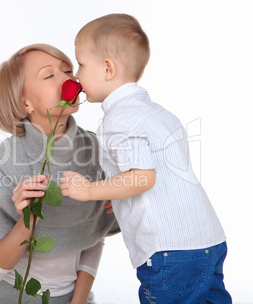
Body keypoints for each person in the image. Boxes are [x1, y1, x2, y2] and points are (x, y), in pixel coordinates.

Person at [60, 14, 232, 303]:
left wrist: (90, 189)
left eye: (81, 64)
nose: (76, 76)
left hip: (170, 250)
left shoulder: (120, 120)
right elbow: (162, 175)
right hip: (208, 240)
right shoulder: (158, 113)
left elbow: (142, 178)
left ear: (107, 68)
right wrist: (119, 196)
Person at [0, 43, 119, 304]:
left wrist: (79, 300)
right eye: (49, 75)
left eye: (68, 70)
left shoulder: (98, 151)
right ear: (24, 102)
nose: (68, 79)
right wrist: (26, 220)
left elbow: (93, 235)